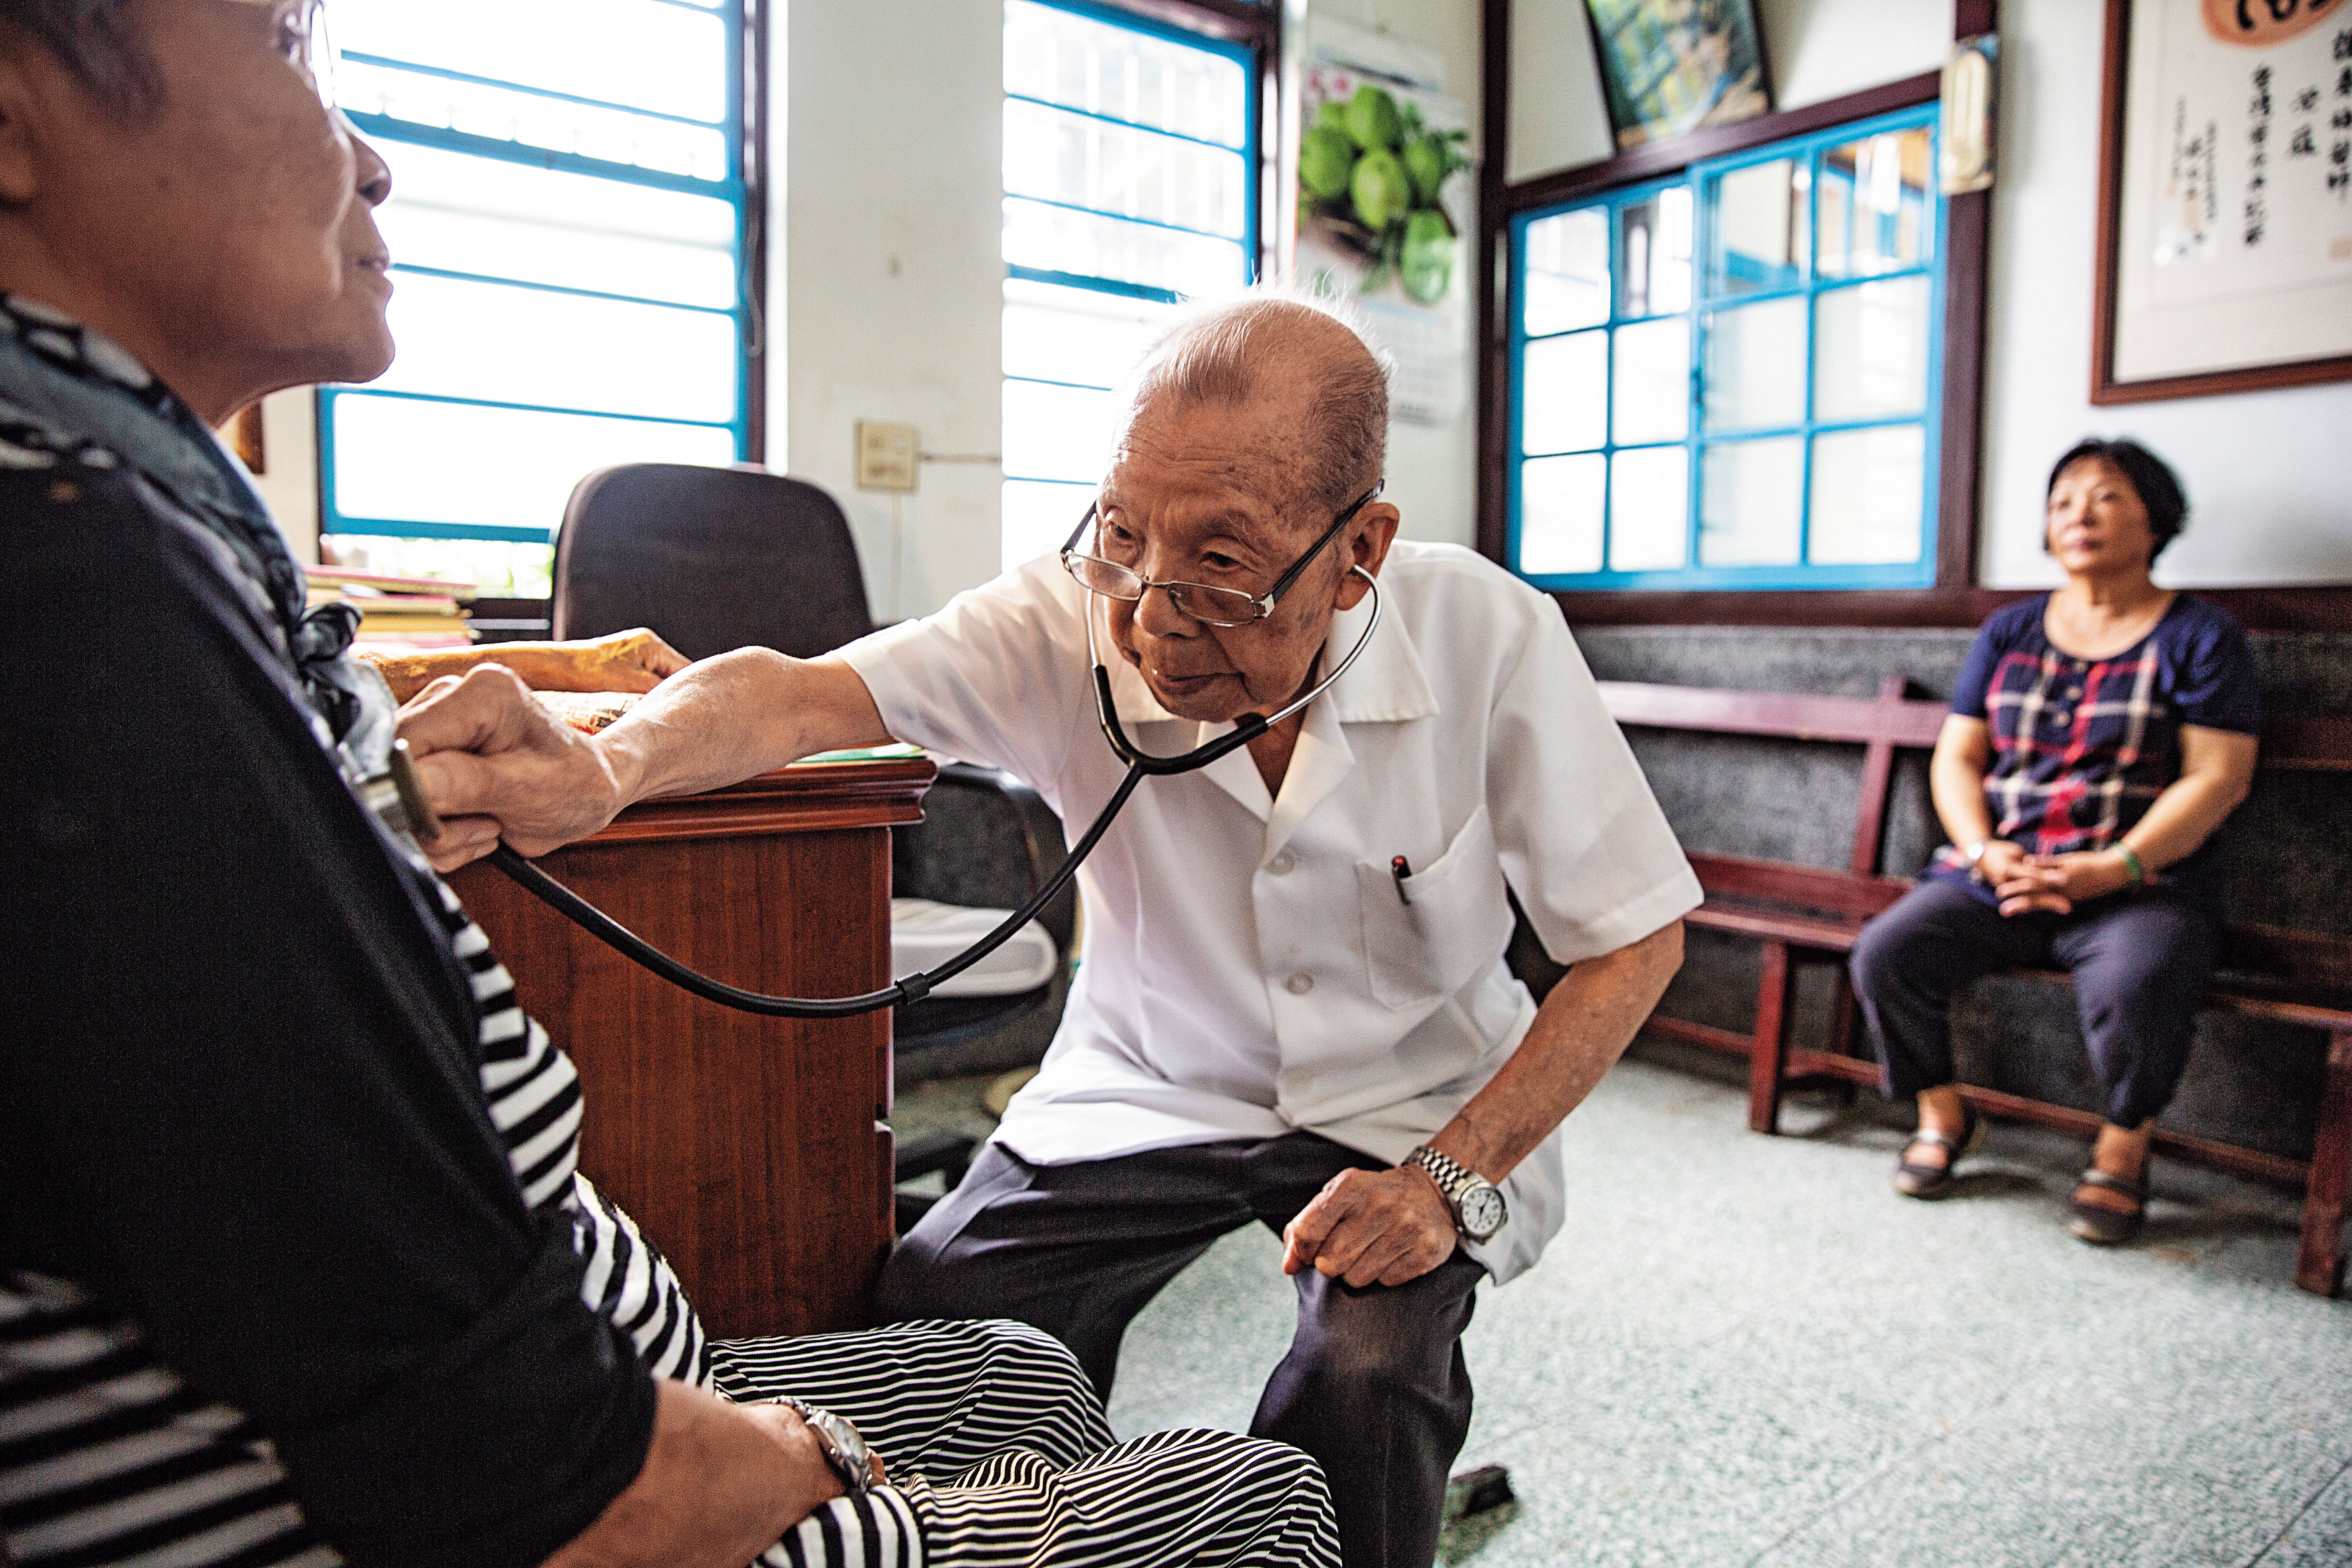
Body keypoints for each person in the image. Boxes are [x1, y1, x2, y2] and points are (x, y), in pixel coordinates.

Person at [0, 4, 1339, 1566]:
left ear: (1352, 550)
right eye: (289, 44)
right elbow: (530, 1475)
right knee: (1258, 1502)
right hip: (573, 1488)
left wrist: (567, 739)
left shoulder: (152, 542)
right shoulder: (89, 606)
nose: (367, 160)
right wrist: (826, 1471)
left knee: (1024, 1373)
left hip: (579, 1391)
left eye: (1227, 555)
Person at [408, 286, 1702, 1564]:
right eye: (1125, 537)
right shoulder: (1061, 620)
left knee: (1369, 1370)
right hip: (1151, 1082)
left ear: (1358, 549)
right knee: (941, 1306)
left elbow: (1633, 939)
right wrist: (608, 768)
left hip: (1417, 1105)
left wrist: (1448, 1177)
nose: (1150, 617)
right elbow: (799, 699)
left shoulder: (1488, 634)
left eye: (1223, 566)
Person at [1849, 438, 2261, 1245]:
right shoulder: (2010, 632)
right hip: (1999, 870)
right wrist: (1981, 850)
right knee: (1887, 953)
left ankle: (2122, 1148)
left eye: (2105, 497)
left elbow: (2218, 778)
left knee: (2145, 979)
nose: (2080, 515)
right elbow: (1960, 757)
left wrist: (2114, 867)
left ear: (2156, 519)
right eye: (2064, 499)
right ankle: (1944, 1115)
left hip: (2140, 880)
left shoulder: (2203, 637)